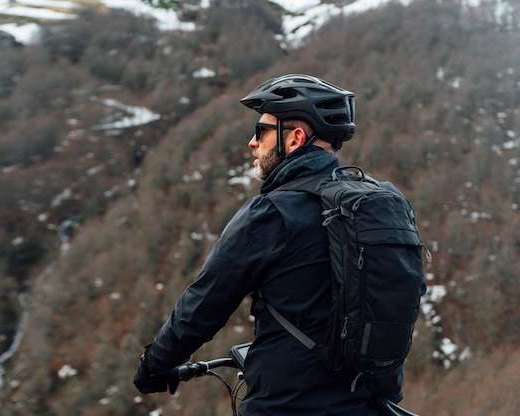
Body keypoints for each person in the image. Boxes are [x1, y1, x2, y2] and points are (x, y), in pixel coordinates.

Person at [133, 74, 404, 415]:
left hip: (288, 405)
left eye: (261, 131)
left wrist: (154, 365)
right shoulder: (381, 202)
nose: (252, 142)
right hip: (369, 401)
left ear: (295, 138)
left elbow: (204, 303)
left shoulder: (273, 212)